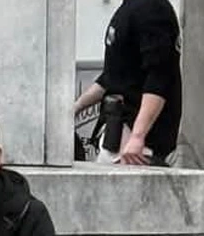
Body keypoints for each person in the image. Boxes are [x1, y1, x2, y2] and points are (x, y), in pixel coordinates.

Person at [73, 0, 182, 166]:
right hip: (117, 132)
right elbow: (112, 77)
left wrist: (138, 136)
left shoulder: (152, 8)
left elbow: (159, 77)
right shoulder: (130, 8)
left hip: (137, 142)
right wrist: (75, 108)